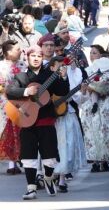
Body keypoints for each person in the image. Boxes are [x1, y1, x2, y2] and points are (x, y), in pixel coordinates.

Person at [6, 47, 69, 200]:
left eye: (39, 56)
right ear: (27, 57)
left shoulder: (50, 75)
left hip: (46, 119)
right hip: (27, 120)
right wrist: (27, 92)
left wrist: (64, 77)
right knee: (28, 156)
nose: (35, 58)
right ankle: (31, 188)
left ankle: (48, 178)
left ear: (42, 58)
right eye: (32, 56)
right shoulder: (21, 77)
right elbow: (10, 91)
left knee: (50, 155)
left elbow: (63, 91)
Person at [79, 46, 109, 172]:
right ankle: (94, 161)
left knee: (105, 132)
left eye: (95, 53)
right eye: (90, 53)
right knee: (91, 132)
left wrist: (103, 88)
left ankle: (105, 161)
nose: (92, 55)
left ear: (101, 55)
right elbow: (82, 88)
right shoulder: (85, 70)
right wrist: (87, 89)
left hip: (105, 102)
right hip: (89, 104)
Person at [53, 61, 87, 193]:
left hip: (68, 114)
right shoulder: (48, 77)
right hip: (51, 117)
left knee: (67, 147)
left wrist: (83, 91)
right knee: (52, 147)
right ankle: (48, 174)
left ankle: (62, 179)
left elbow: (78, 99)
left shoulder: (74, 76)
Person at [0, 40, 27, 174]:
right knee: (7, 133)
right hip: (4, 104)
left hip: (21, 103)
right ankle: (11, 164)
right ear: (8, 52)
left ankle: (17, 162)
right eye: (17, 49)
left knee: (19, 133)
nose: (20, 51)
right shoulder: (0, 66)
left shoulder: (23, 65)